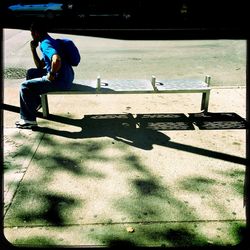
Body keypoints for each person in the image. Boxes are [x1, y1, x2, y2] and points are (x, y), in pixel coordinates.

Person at [15, 21, 74, 129]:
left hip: (60, 81)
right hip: (67, 77)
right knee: (31, 72)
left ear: (36, 33)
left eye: (32, 34)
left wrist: (51, 74)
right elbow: (40, 66)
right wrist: (33, 49)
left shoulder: (45, 44)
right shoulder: (50, 41)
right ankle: (36, 102)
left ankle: (28, 120)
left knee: (24, 86)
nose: (32, 36)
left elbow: (56, 60)